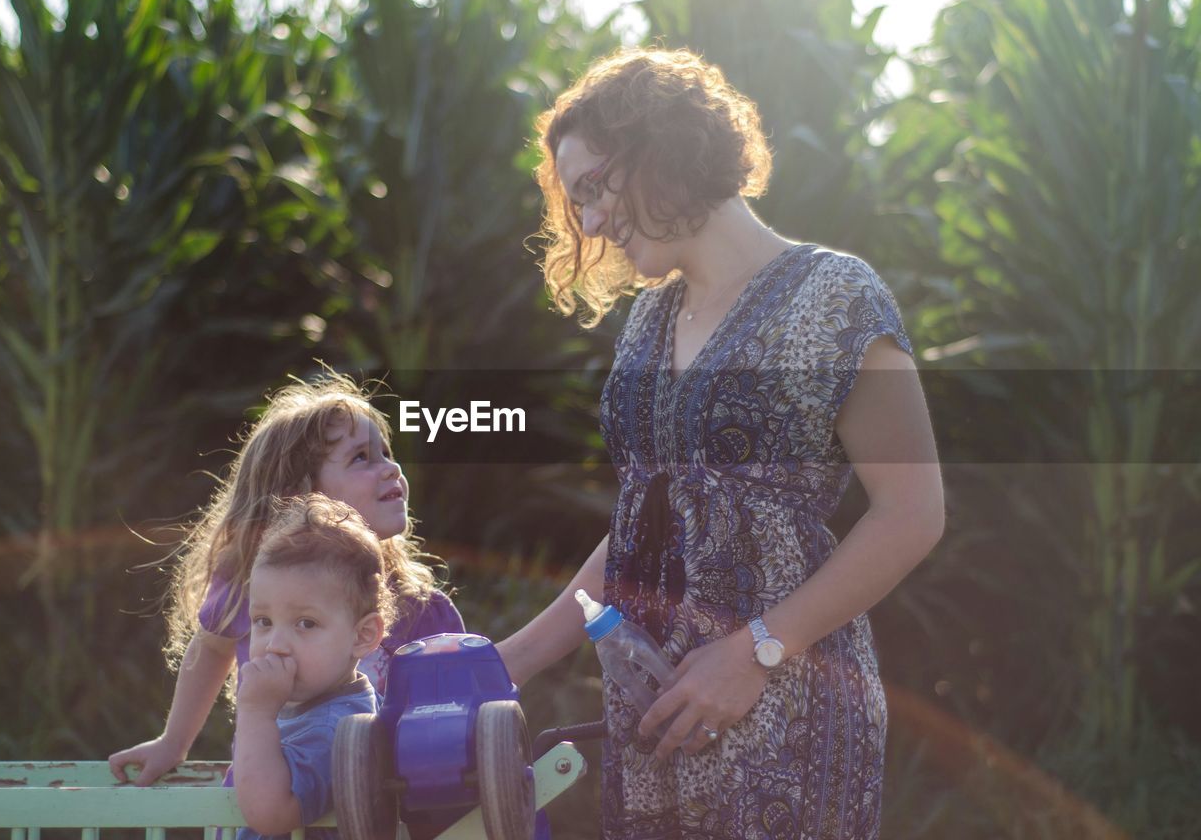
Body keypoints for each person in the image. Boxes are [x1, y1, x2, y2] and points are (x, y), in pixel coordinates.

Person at [496, 48, 945, 839]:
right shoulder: (649, 322)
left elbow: (913, 513)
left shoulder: (837, 296)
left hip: (789, 717)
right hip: (656, 713)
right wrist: (518, 658)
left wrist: (756, 653)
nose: (592, 221)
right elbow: (647, 516)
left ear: (660, 146)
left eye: (596, 187)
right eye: (579, 204)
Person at [109, 371, 463, 785]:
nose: (392, 468)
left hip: (374, 813)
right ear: (302, 494)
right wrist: (173, 742)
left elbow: (456, 711)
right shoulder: (252, 588)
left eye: (386, 452)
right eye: (361, 458)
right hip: (275, 804)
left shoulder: (420, 606)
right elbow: (210, 649)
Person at [233, 493, 394, 840]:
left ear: (362, 635)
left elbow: (271, 814)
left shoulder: (337, 727)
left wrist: (255, 713)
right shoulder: (319, 708)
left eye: (305, 624)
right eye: (263, 621)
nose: (275, 644)